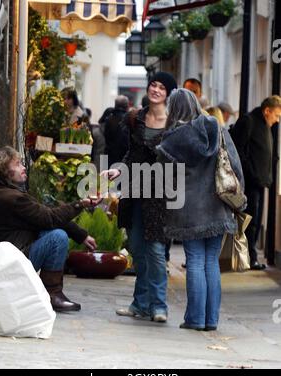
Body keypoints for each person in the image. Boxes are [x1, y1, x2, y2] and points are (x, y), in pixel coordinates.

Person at [157, 88, 245, 331]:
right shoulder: (218, 130)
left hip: (188, 211)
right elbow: (235, 167)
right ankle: (211, 320)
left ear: (173, 109)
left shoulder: (170, 140)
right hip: (218, 207)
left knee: (195, 260)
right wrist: (239, 199)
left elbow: (165, 181)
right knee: (211, 262)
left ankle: (195, 319)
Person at [0, 146, 101, 312]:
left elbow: (45, 215)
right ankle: (52, 294)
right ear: (4, 172)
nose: (23, 167)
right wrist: (80, 204)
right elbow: (50, 218)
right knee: (57, 237)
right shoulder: (12, 198)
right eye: (17, 164)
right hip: (9, 267)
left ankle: (50, 293)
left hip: (10, 259)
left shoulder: (7, 193)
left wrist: (80, 235)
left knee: (49, 231)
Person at [101, 72, 177, 323]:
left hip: (160, 193)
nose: (155, 90)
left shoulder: (174, 123)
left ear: (168, 93)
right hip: (135, 190)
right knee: (135, 246)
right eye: (153, 85)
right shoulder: (136, 118)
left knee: (155, 249)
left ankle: (158, 305)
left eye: (161, 87)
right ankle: (140, 303)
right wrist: (117, 169)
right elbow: (130, 156)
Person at [230, 96, 281, 270]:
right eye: (276, 115)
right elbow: (238, 150)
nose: (277, 120)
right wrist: (251, 174)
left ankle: (250, 257)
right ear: (267, 111)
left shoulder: (264, 125)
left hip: (259, 182)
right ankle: (247, 258)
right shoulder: (249, 121)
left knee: (255, 220)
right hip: (249, 182)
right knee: (249, 220)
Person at [104, 95, 130, 168]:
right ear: (127, 106)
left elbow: (106, 137)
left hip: (110, 157)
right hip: (124, 158)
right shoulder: (129, 120)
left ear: (115, 105)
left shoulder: (108, 119)